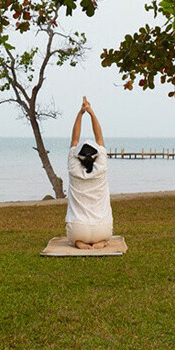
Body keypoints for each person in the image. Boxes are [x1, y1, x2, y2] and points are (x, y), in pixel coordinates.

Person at [65, 96, 113, 249]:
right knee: (104, 234)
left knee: (74, 234)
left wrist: (80, 113)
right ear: (96, 156)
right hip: (102, 228)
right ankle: (101, 242)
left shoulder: (74, 169)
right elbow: (100, 138)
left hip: (77, 229)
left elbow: (74, 139)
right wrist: (91, 112)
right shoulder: (101, 168)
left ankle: (79, 242)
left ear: (78, 156)